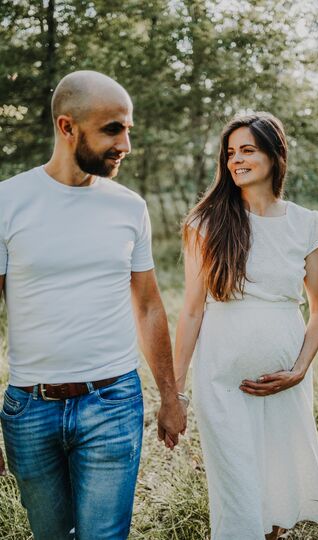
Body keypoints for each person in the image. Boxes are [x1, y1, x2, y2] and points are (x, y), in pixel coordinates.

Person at [0, 70, 186, 540]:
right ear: (67, 127)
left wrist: (169, 396)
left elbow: (147, 306)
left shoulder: (129, 207)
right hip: (30, 408)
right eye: (112, 129)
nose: (125, 144)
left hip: (113, 402)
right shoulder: (8, 202)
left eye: (128, 129)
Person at [174, 112, 318, 540]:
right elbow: (191, 311)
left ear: (275, 154)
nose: (236, 160)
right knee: (240, 494)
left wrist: (299, 369)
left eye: (248, 150)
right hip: (223, 383)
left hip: (286, 382)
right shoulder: (205, 223)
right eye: (230, 153)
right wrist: (175, 392)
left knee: (278, 492)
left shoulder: (307, 223)